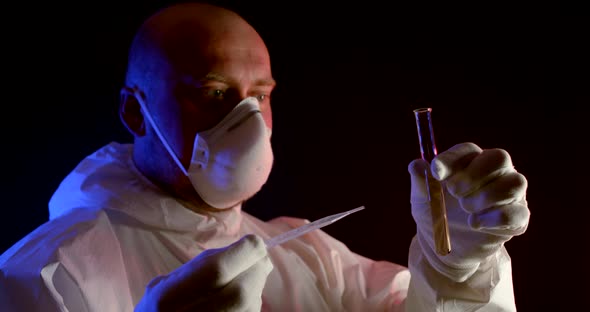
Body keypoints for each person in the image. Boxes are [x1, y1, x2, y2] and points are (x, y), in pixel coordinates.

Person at [0, 2, 531, 311]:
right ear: (137, 115)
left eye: (261, 96)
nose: (249, 122)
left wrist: (458, 266)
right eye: (214, 93)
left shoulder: (310, 257)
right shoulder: (45, 274)